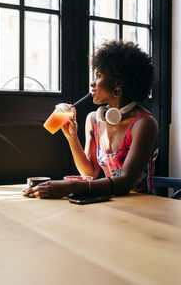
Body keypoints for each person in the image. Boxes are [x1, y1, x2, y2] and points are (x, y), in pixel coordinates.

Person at [25, 40, 159, 199]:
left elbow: (125, 182)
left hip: (144, 207)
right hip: (111, 204)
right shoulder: (94, 119)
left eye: (99, 75)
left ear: (118, 83)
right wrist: (72, 138)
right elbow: (90, 173)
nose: (92, 83)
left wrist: (71, 186)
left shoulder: (144, 123)